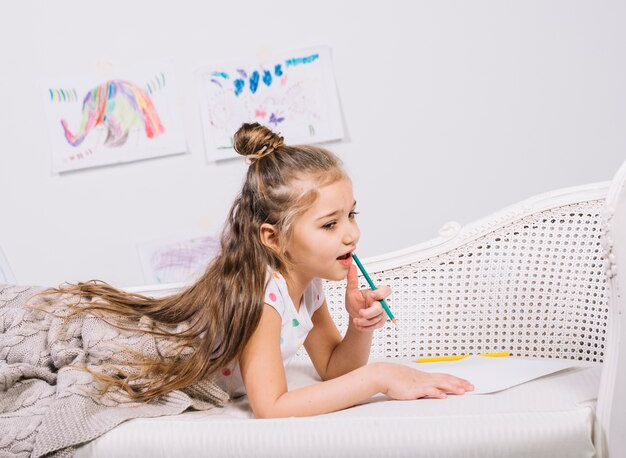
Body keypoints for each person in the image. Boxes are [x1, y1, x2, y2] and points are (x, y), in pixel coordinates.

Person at [39, 122, 473, 418]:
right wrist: (379, 376)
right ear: (273, 238)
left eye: (351, 215)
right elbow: (272, 406)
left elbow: (333, 369)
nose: (350, 235)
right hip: (142, 359)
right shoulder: (263, 297)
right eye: (330, 223)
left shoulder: (309, 285)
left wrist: (360, 327)